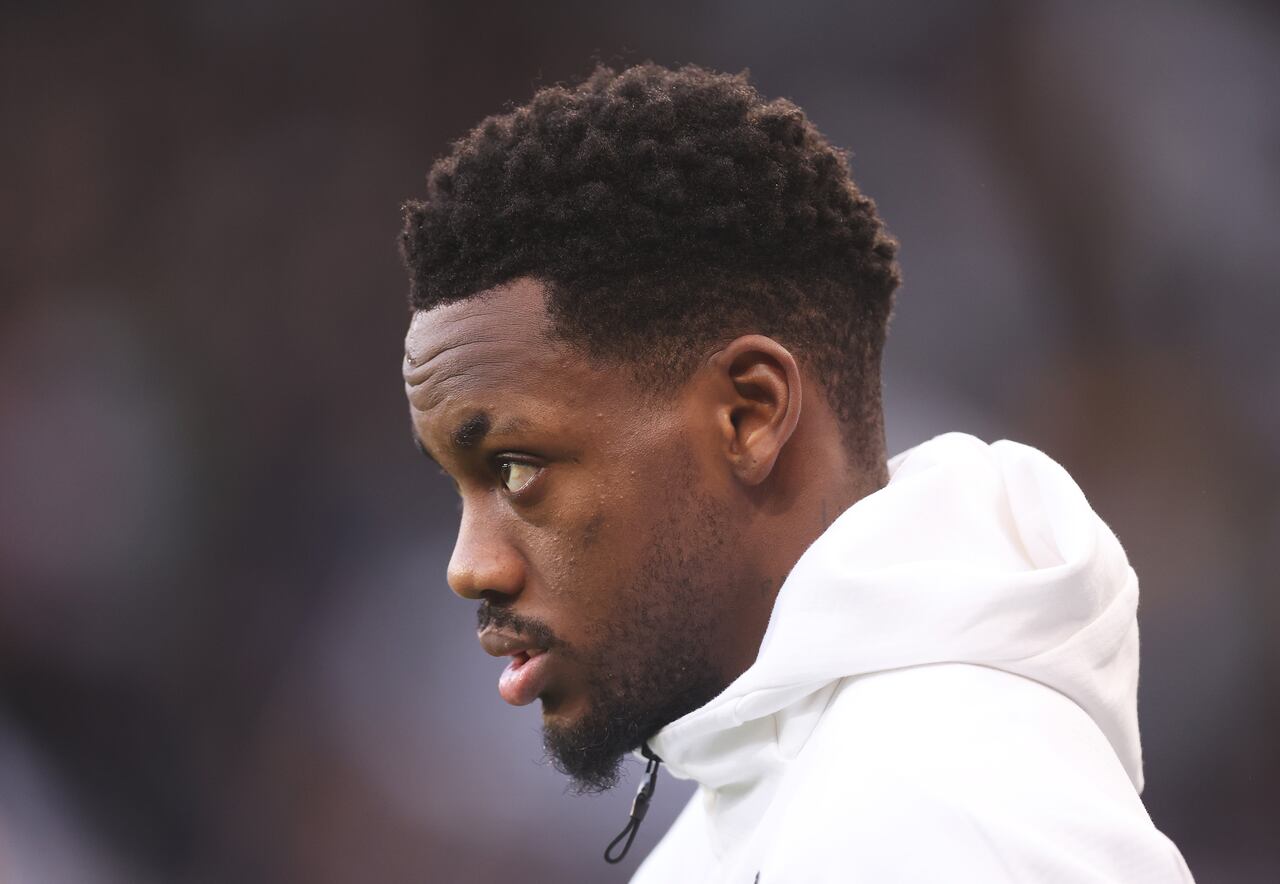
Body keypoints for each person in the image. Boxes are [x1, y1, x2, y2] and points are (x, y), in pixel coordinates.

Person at [398, 63, 1194, 882]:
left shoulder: (947, 820)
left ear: (749, 415)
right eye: (458, 484)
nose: (469, 567)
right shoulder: (778, 808)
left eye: (518, 468)